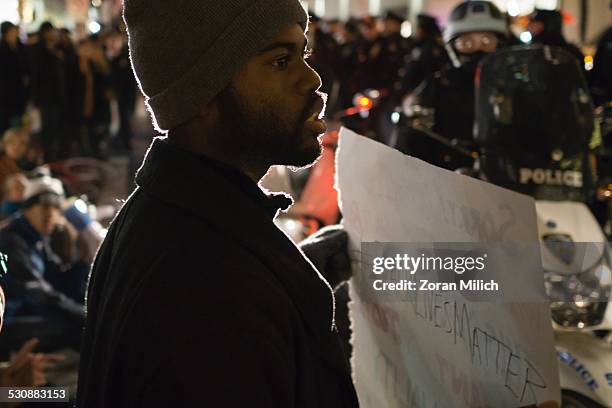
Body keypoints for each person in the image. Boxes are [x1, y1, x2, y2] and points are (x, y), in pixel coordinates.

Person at [77, 1, 358, 407]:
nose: (312, 80)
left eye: (304, 54)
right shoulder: (208, 300)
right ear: (202, 95)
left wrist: (288, 279)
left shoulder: (165, 213)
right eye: (280, 61)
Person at [394, 0, 508, 169]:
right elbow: (411, 145)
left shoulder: (514, 86)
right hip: (449, 180)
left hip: (506, 181)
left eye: (486, 41)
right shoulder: (439, 84)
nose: (477, 49)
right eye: (467, 42)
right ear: (452, 46)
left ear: (499, 44)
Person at [0, 176, 88, 355]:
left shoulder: (36, 237)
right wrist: (84, 315)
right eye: (45, 206)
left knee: (81, 274)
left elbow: (57, 277)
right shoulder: (11, 241)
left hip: (27, 310)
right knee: (71, 327)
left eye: (56, 208)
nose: (51, 214)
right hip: (7, 322)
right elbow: (39, 294)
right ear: (28, 209)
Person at [0, 22, 29, 136]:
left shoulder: (20, 47)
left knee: (19, 124)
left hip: (20, 93)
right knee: (6, 124)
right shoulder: (2, 48)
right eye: (13, 30)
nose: (15, 32)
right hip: (5, 95)